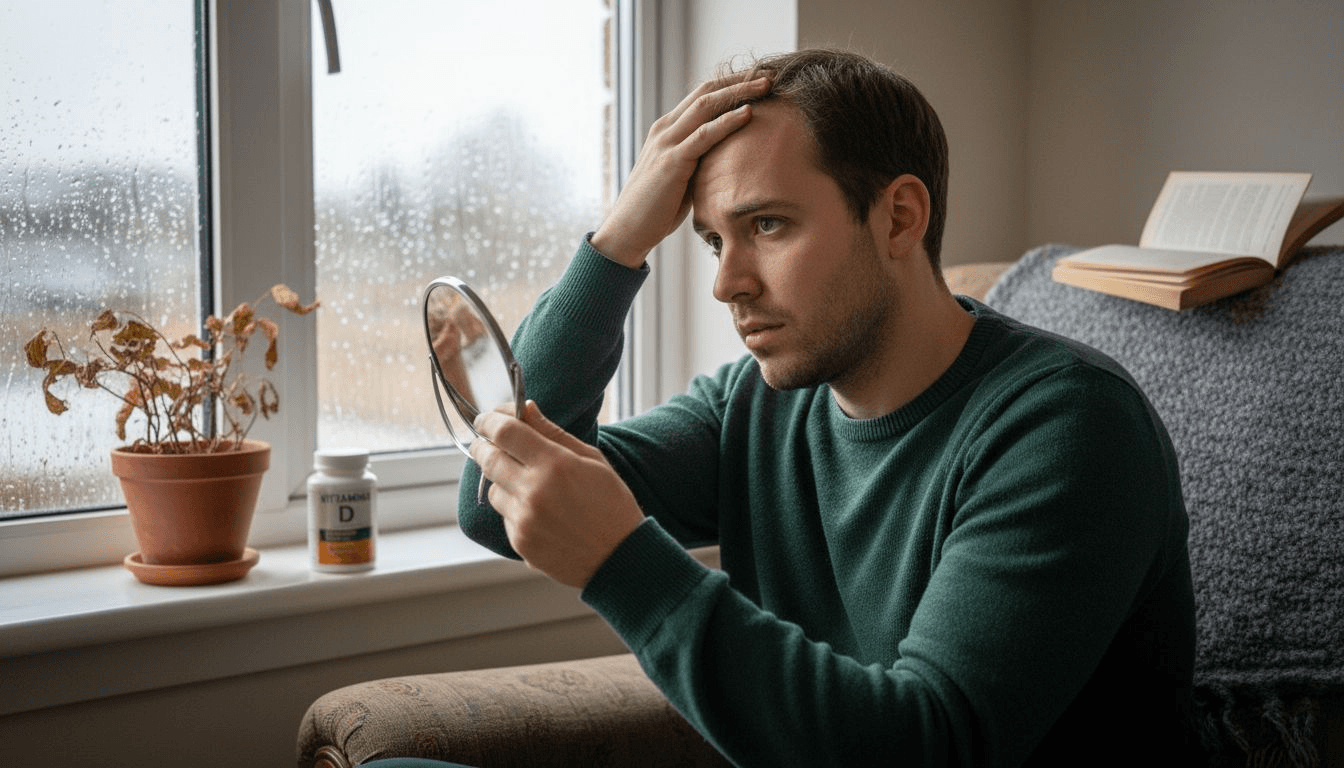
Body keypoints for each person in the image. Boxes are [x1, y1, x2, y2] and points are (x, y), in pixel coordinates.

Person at [439, 49, 1196, 766]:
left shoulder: (1068, 427)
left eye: (767, 225)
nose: (727, 284)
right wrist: (615, 246)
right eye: (712, 241)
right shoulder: (756, 406)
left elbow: (925, 747)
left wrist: (622, 562)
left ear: (899, 217)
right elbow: (492, 502)